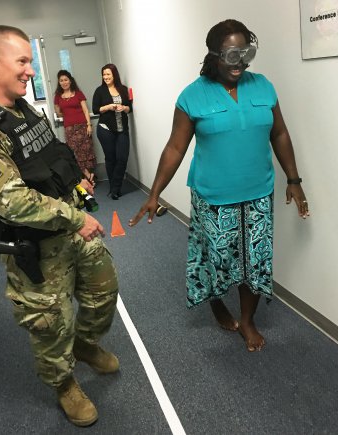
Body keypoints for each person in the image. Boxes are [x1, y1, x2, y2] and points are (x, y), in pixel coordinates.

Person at [0, 25, 120, 427]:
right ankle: (64, 384)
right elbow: (14, 202)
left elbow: (51, 156)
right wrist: (78, 218)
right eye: (22, 61)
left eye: (30, 60)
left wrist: (78, 180)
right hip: (38, 249)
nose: (30, 70)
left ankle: (87, 343)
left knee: (103, 292)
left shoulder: (21, 109)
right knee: (50, 326)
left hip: (72, 227)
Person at [129, 19, 310, 352]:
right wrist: (154, 193)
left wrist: (294, 180)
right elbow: (175, 147)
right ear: (213, 55)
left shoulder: (264, 86)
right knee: (217, 260)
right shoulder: (192, 96)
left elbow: (279, 133)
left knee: (255, 263)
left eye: (246, 53)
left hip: (258, 195)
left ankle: (248, 320)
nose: (239, 63)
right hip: (212, 198)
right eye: (230, 55)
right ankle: (215, 301)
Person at [92, 64, 132, 200]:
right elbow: (95, 109)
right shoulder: (100, 91)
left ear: (114, 75)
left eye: (108, 74)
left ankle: (115, 187)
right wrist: (109, 106)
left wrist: (124, 108)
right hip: (105, 129)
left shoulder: (123, 89)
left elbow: (130, 108)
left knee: (122, 158)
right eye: (104, 74)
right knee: (111, 159)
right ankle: (114, 189)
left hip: (122, 129)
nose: (106, 77)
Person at [54, 69, 96, 183]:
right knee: (74, 153)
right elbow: (58, 112)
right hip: (69, 129)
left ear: (70, 81)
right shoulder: (58, 96)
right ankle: (87, 176)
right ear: (59, 82)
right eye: (61, 80)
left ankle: (90, 177)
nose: (64, 82)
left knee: (87, 152)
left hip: (83, 127)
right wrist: (69, 114)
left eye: (66, 80)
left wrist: (89, 125)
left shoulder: (78, 93)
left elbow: (86, 110)